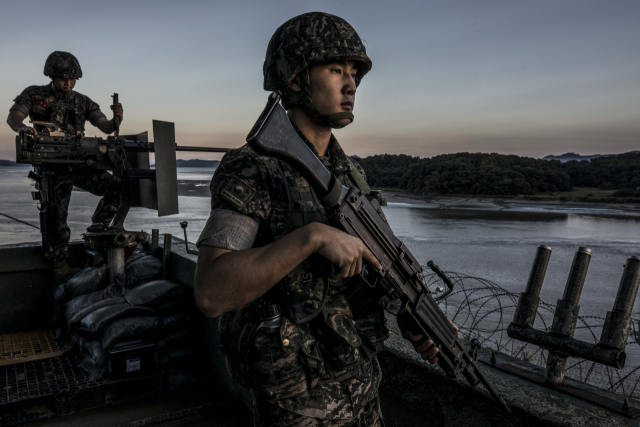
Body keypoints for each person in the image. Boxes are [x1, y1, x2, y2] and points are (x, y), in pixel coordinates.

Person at [194, 12, 440, 426]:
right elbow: (211, 291)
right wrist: (310, 237)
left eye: (355, 74)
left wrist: (412, 313)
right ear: (294, 80)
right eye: (335, 69)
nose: (351, 85)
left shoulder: (350, 174)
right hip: (298, 402)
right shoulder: (253, 168)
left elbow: (376, 265)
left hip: (361, 384)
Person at [6, 51, 124, 282]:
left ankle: (96, 233)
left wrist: (116, 119)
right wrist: (22, 128)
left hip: (79, 163)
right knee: (56, 217)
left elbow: (106, 127)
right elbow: (14, 117)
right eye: (63, 78)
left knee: (116, 189)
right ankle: (59, 264)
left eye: (72, 79)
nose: (68, 83)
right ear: (52, 75)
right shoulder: (34, 94)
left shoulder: (82, 101)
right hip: (52, 166)